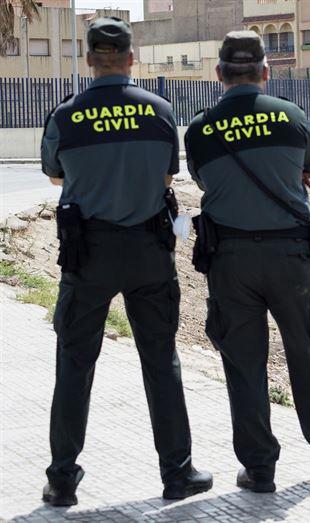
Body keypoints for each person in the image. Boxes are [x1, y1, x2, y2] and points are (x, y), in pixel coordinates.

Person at [39, 17, 212, 506]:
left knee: (74, 364)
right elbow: (165, 178)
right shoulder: (159, 111)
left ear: (90, 59)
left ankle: (62, 481)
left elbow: (55, 177)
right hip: (147, 252)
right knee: (161, 362)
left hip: (87, 253)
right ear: (132, 59)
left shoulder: (66, 115)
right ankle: (177, 474)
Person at [184, 31, 310, 493]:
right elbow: (306, 177)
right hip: (291, 260)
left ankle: (260, 469)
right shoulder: (292, 117)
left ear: (219, 74)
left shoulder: (201, 129)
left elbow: (204, 182)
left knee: (243, 365)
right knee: (309, 356)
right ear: (265, 72)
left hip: (231, 262)